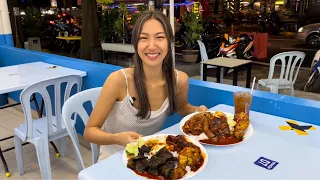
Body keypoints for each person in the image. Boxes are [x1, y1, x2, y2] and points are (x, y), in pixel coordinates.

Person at [84, 11, 208, 161]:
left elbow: (182, 107)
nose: (151, 46)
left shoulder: (179, 80)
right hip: (113, 156)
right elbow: (90, 131)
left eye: (160, 37)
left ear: (169, 42)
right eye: (143, 38)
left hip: (151, 156)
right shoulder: (118, 80)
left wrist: (196, 110)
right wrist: (118, 139)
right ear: (136, 44)